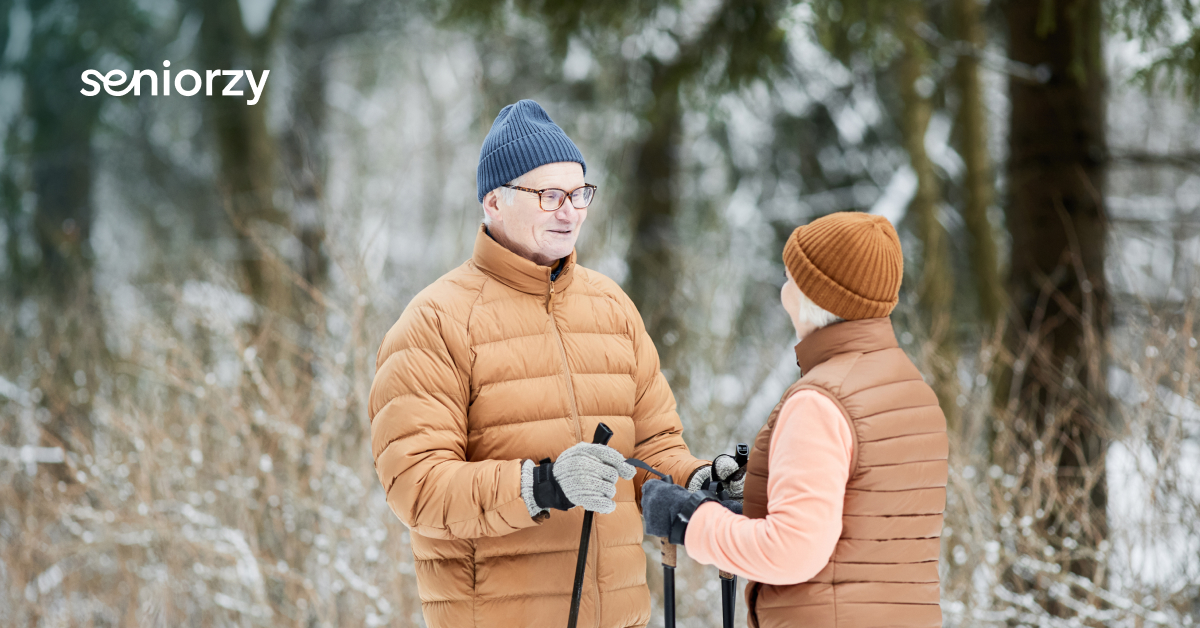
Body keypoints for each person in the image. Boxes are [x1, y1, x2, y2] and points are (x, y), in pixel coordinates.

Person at [367, 99, 738, 628]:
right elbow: (417, 487)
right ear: (493, 202)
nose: (570, 211)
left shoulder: (611, 308)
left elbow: (653, 450)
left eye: (579, 192)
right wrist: (540, 485)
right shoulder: (435, 322)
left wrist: (700, 480)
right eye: (548, 195)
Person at [641, 212, 949, 627]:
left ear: (813, 295)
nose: (784, 291)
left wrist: (689, 519)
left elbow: (790, 551)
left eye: (791, 278)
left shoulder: (820, 402)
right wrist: (747, 507)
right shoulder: (913, 392)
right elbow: (865, 534)